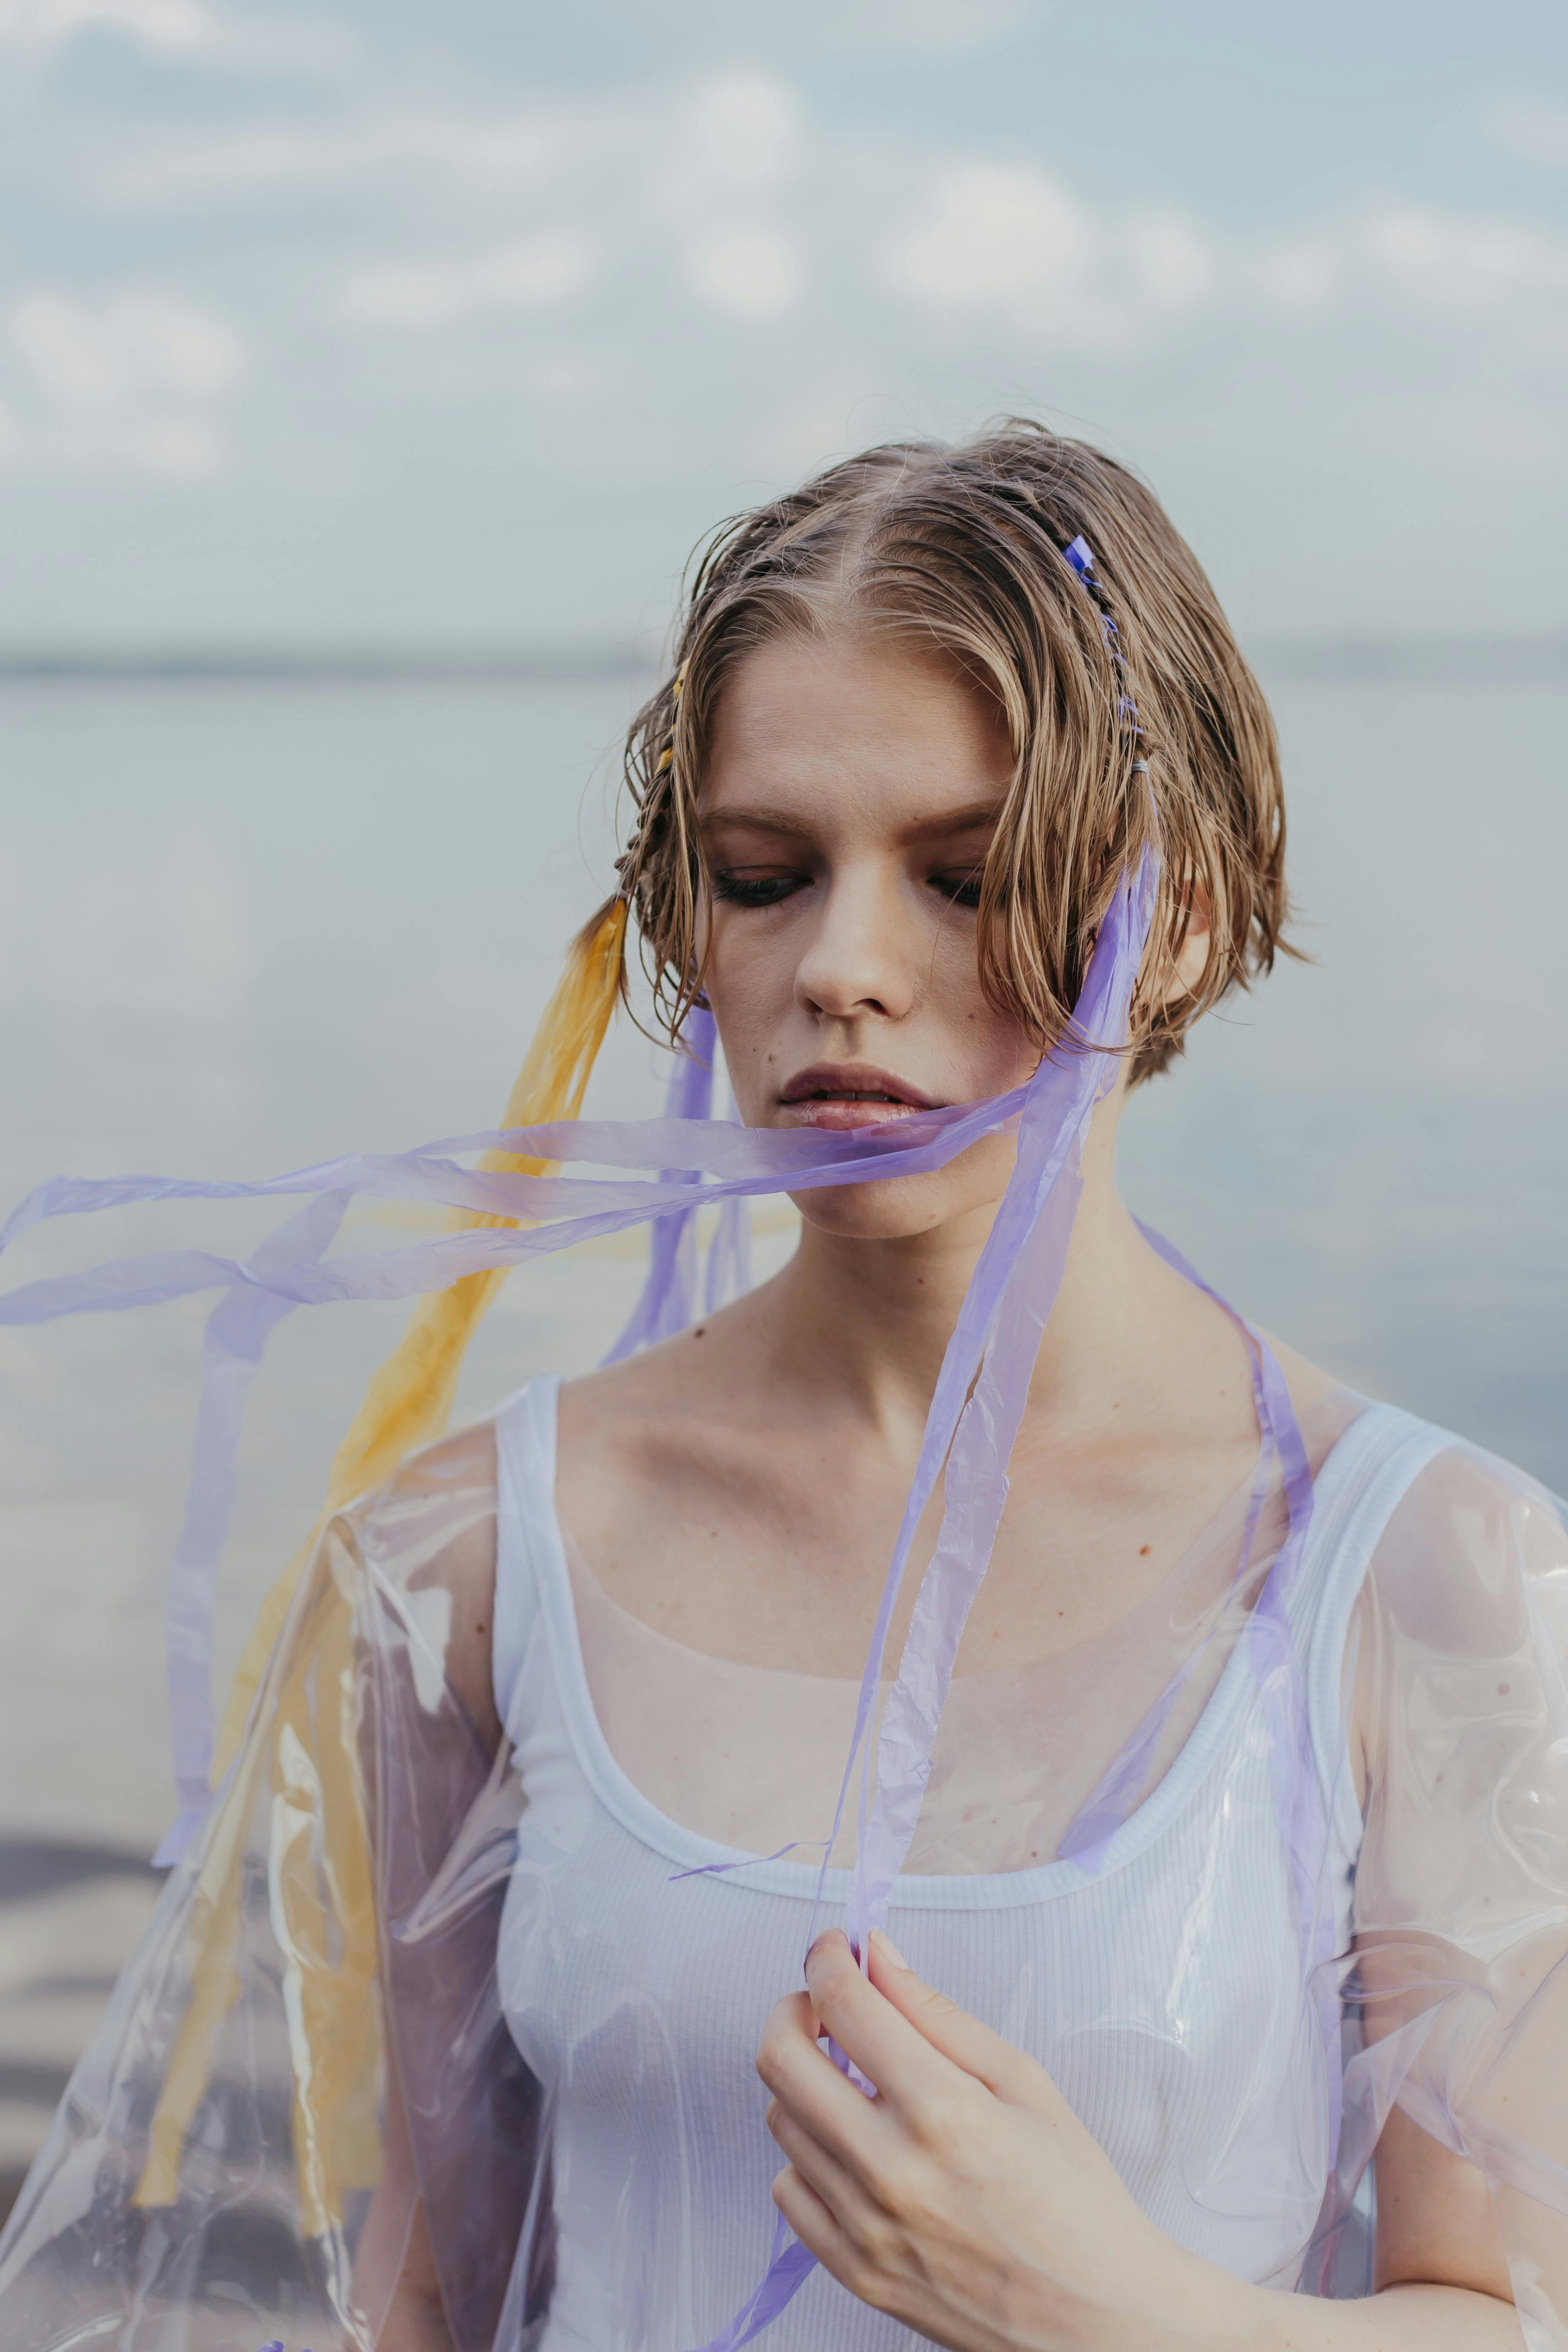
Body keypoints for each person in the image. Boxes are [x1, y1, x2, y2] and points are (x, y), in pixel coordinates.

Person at [2, 424, 1565, 2352]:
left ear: (1191, 919)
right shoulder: (474, 1561)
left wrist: (1106, 2310)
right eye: (763, 875)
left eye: (967, 876)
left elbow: (1505, 2314)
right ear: (686, 920)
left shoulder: (1423, 1573)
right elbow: (428, 2294)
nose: (840, 966)